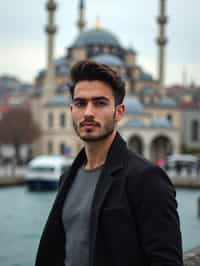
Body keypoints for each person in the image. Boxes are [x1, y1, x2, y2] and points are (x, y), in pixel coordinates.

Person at [35, 60, 183, 266]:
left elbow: (166, 260)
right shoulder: (68, 178)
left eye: (100, 103)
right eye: (80, 103)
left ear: (119, 112)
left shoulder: (146, 179)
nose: (88, 112)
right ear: (71, 110)